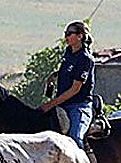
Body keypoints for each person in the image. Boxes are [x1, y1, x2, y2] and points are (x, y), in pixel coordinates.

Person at [39, 20, 95, 148]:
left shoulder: (85, 59)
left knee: (75, 139)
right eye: (66, 33)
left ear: (80, 36)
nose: (66, 37)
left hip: (78, 106)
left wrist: (51, 104)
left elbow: (75, 89)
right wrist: (55, 75)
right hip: (63, 105)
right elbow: (69, 70)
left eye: (69, 34)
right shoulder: (69, 52)